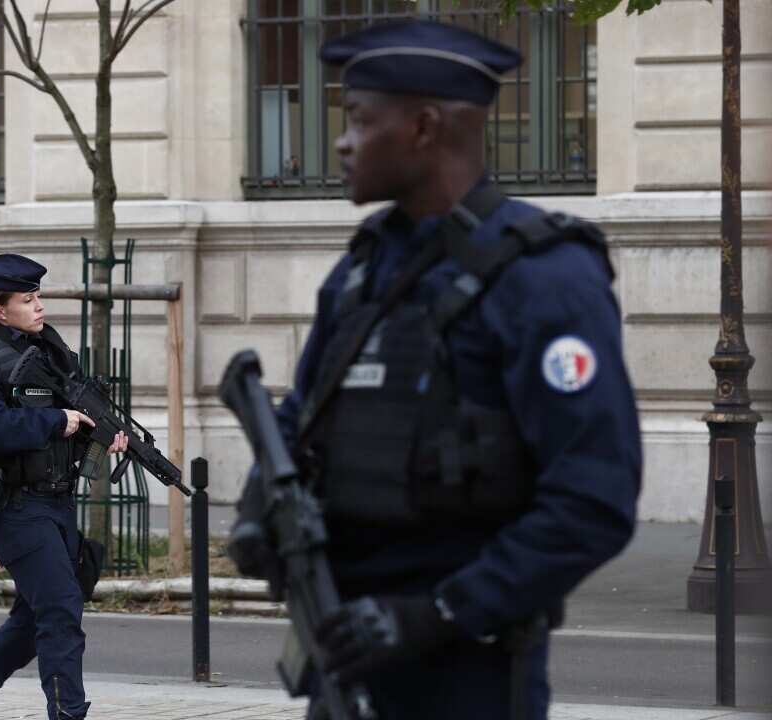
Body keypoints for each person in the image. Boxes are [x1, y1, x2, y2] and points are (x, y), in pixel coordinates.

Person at [233, 20, 642, 720]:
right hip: (345, 659)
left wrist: (436, 614)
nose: (341, 141)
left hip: (468, 677)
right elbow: (304, 418)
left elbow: (592, 503)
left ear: (424, 128)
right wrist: (255, 519)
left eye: (359, 120)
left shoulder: (545, 279)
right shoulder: (362, 271)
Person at [0, 253, 127, 720]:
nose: (39, 306)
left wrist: (100, 436)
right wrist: (56, 420)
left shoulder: (54, 355)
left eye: (39, 297)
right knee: (59, 612)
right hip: (16, 507)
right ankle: (68, 714)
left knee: (33, 620)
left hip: (57, 503)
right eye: (27, 299)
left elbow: (70, 429)